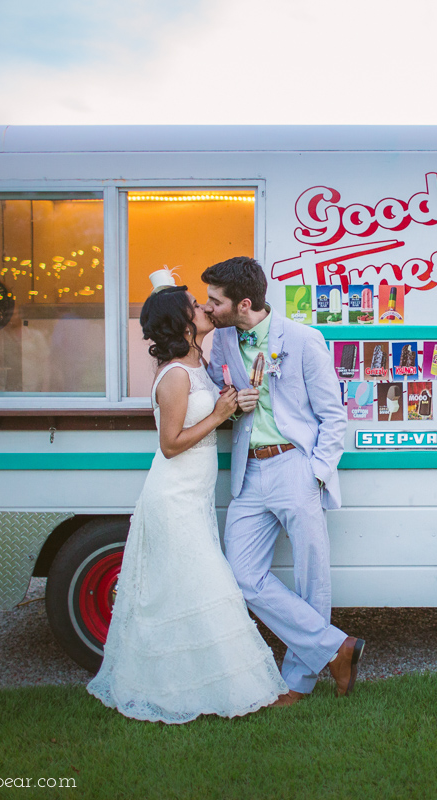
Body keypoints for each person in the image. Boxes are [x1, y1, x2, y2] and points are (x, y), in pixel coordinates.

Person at [87, 273, 292, 721]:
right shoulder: (176, 375)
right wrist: (220, 413)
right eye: (196, 306)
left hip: (192, 497)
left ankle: (200, 683)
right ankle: (225, 688)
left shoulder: (196, 363)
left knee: (188, 590)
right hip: (173, 496)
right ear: (182, 323)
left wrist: (230, 405)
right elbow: (171, 443)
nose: (205, 309)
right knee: (203, 584)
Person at [202, 256, 364, 700]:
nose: (209, 307)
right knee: (240, 575)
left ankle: (298, 681)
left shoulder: (304, 339)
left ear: (245, 303)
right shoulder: (222, 341)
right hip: (249, 470)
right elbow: (218, 391)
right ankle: (336, 648)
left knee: (312, 577)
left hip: (295, 464)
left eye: (216, 301)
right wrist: (233, 401)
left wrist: (315, 473)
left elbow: (334, 416)